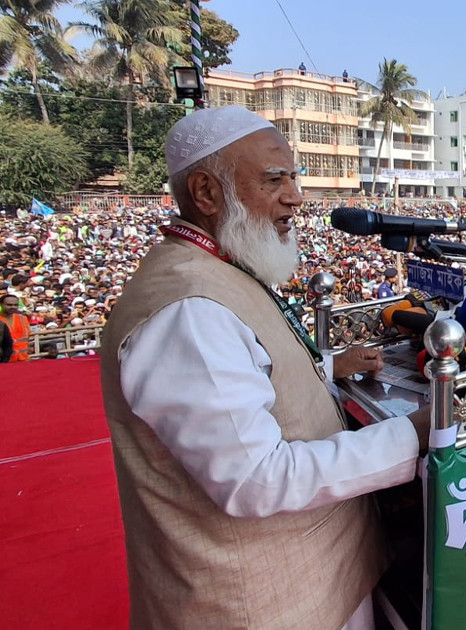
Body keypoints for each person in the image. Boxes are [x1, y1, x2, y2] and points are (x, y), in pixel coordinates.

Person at [100, 106, 431, 630]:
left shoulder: (217, 266)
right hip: (256, 605)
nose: (296, 196)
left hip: (315, 583)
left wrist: (325, 366)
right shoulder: (188, 310)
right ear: (207, 194)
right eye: (274, 179)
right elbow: (254, 478)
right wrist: (410, 435)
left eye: (294, 177)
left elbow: (246, 374)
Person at [0, 293, 30, 362]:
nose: (13, 307)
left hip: (24, 359)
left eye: (15, 305)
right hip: (6, 361)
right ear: (1, 304)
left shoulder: (23, 318)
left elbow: (28, 336)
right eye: (9, 305)